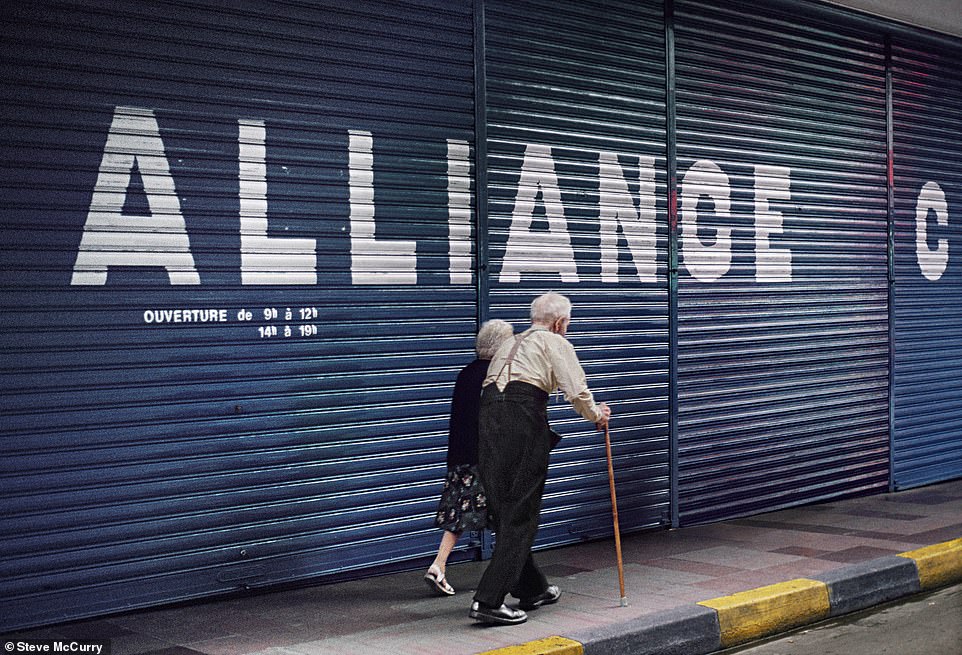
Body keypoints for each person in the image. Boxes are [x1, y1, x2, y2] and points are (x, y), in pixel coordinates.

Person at [469, 292, 611, 626]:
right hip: (523, 420)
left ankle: (533, 588)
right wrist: (597, 416)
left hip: (488, 420)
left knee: (505, 509)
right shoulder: (556, 342)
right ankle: (487, 600)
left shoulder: (508, 343)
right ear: (561, 322)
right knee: (521, 514)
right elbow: (576, 390)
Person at [424, 319, 515, 596]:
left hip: (459, 456)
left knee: (458, 515)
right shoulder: (495, 376)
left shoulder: (466, 373)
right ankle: (508, 577)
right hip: (484, 458)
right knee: (507, 515)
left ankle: (438, 565)